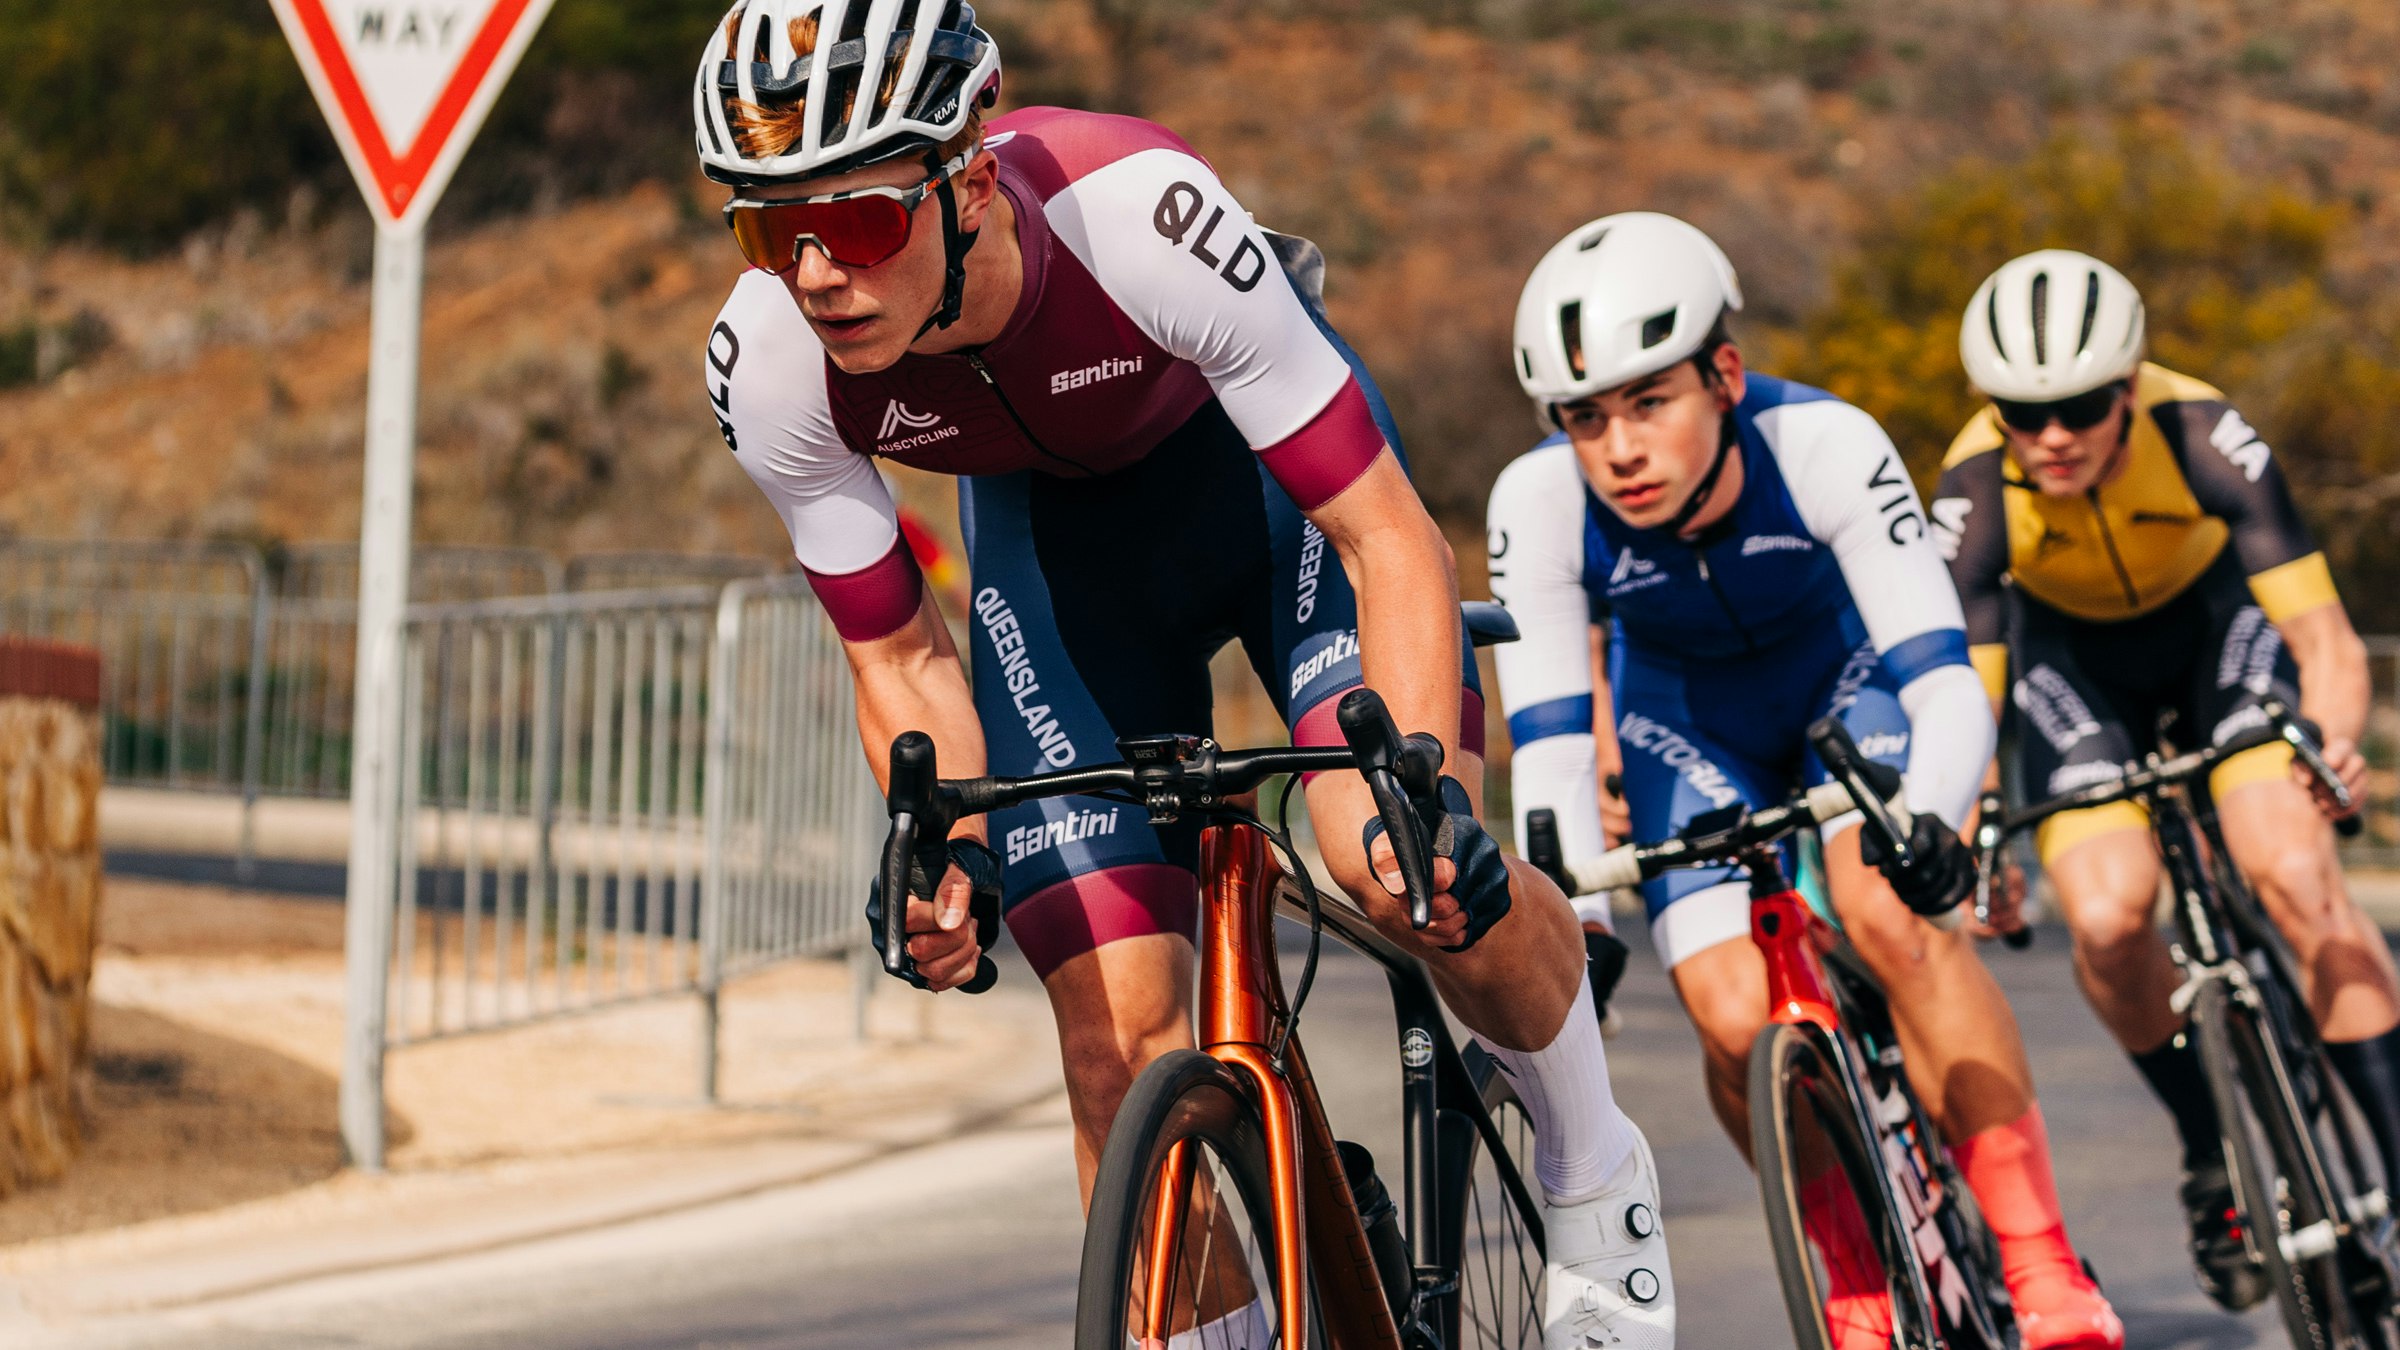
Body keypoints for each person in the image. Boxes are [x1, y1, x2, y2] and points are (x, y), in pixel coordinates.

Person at [694, 3, 1671, 1343]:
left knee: (1398, 866)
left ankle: (1592, 1165)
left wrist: (1425, 784)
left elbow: (1384, 532)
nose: (812, 273)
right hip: (1062, 562)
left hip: (1273, 511)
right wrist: (954, 851)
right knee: (1112, 1029)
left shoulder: (1133, 213)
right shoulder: (774, 366)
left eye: (856, 221)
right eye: (767, 226)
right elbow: (903, 652)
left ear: (967, 181)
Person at [1489, 213, 2121, 1350]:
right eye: (1584, 418)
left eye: (1649, 402)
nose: (1618, 447)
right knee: (1732, 1018)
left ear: (1725, 375)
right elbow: (1551, 746)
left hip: (1848, 683)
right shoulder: (1535, 502)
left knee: (1890, 911)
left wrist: (1929, 822)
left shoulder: (1824, 443)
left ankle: (2040, 1264)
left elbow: (1944, 683)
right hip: (1684, 723)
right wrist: (1576, 917)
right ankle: (1850, 1269)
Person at [1932, 248, 2400, 1310]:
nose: (2051, 436)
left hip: (2215, 632)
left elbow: (2323, 637)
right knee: (2103, 917)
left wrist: (2329, 742)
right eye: (2019, 411)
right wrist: (1972, 841)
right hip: (2074, 666)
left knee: (2292, 871)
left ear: (2129, 388)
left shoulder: (2207, 436)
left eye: (2082, 406)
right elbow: (1970, 705)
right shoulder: (1971, 491)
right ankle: (2211, 1150)